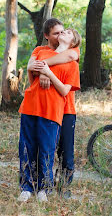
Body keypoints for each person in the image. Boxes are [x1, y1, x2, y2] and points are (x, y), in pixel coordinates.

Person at [18, 19, 80, 202]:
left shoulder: (72, 58)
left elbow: (63, 88)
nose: (61, 34)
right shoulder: (40, 50)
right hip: (31, 105)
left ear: (73, 41)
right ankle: (26, 187)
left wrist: (47, 72)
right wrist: (41, 71)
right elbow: (31, 67)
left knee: (50, 149)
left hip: (56, 109)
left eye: (65, 32)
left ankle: (46, 188)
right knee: (27, 147)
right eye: (58, 33)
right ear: (47, 36)